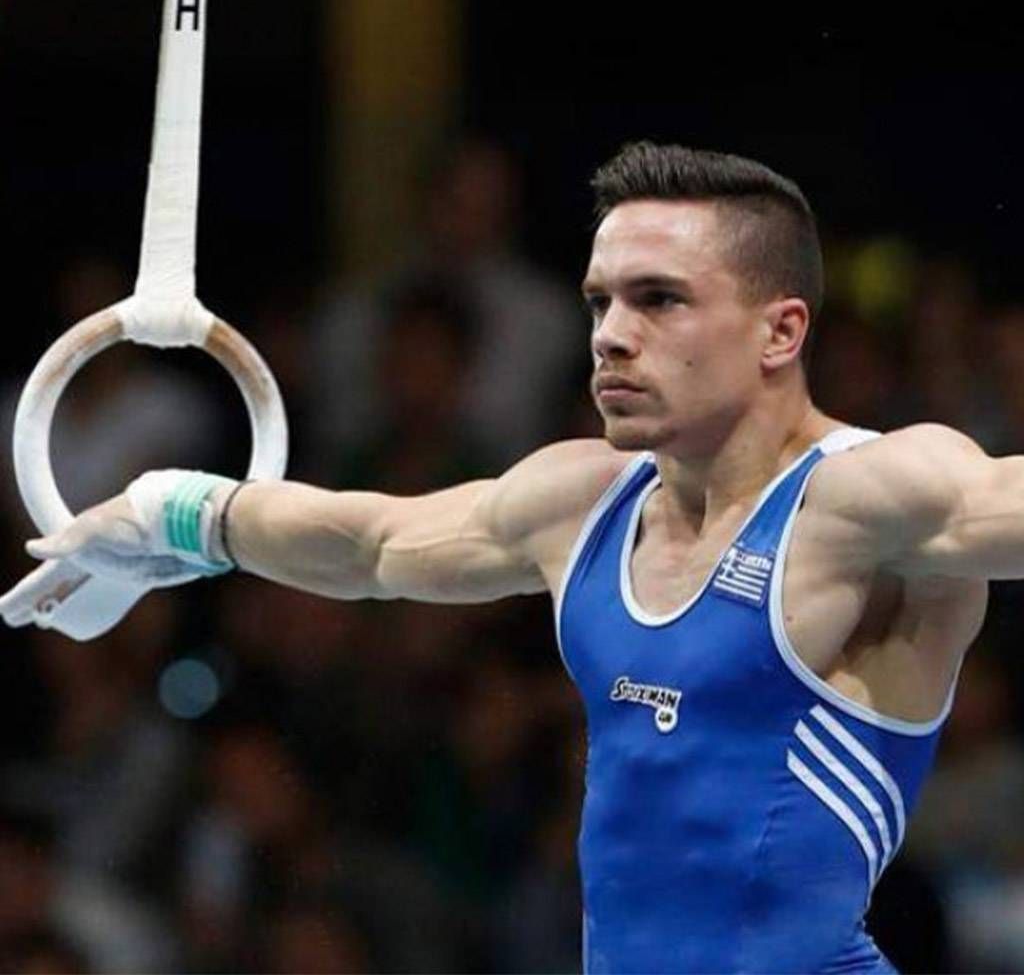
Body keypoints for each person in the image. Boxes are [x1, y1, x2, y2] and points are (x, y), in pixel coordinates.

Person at [1, 141, 1012, 973]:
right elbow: (371, 542)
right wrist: (170, 512)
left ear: (780, 330)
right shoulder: (580, 501)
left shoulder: (871, 500)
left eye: (659, 300)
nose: (611, 336)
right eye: (600, 302)